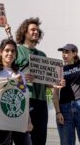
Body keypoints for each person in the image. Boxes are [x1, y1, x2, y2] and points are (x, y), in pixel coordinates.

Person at [53, 9, 80, 145]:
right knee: (66, 142)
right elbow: (55, 92)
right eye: (62, 52)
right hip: (64, 108)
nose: (64, 55)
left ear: (74, 53)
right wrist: (57, 112)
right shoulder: (58, 69)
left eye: (67, 52)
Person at [0, 38, 32, 145]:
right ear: (1, 52)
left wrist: (28, 121)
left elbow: (24, 99)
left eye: (13, 51)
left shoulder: (20, 74)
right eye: (7, 50)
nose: (10, 53)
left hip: (18, 119)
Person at [15, 17, 48, 145]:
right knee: (24, 138)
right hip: (25, 99)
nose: (36, 32)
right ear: (25, 32)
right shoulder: (16, 51)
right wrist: (22, 75)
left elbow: (47, 81)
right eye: (33, 29)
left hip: (41, 101)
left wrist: (56, 84)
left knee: (40, 139)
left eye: (37, 30)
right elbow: (9, 72)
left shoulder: (43, 55)